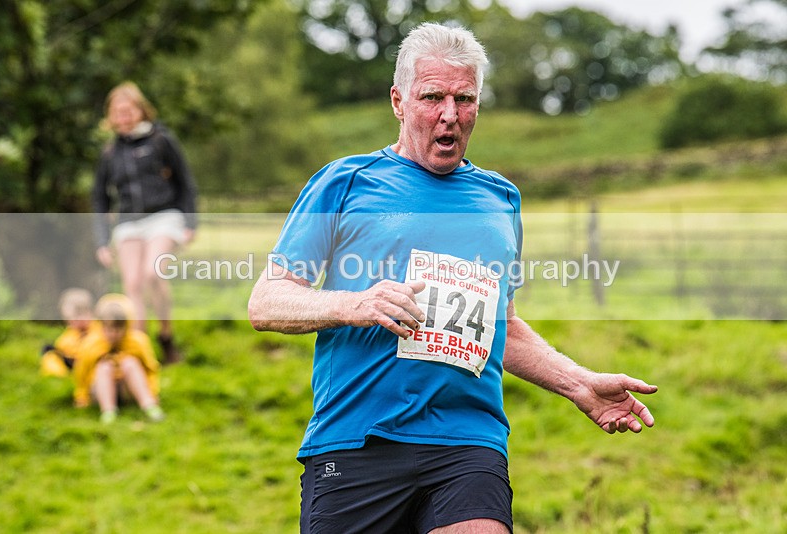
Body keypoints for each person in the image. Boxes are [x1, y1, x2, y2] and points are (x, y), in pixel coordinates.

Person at [248, 23, 658, 533]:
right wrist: (353, 305)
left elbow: (500, 326)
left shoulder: (500, 200)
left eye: (464, 99)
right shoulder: (345, 183)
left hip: (467, 443)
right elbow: (267, 301)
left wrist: (579, 385)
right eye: (432, 97)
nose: (449, 115)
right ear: (398, 101)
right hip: (357, 440)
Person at [92, 81, 198, 365]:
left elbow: (185, 182)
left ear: (140, 110)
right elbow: (100, 198)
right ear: (111, 116)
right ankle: (140, 349)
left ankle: (165, 334)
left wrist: (191, 222)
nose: (124, 116)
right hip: (128, 222)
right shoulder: (110, 153)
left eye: (129, 110)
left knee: (154, 273)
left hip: (164, 215)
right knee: (133, 284)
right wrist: (102, 241)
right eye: (118, 112)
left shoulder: (161, 140)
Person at [73, 293, 164, 424]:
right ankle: (108, 411)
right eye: (109, 329)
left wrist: (153, 391)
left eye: (117, 329)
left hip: (128, 388)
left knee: (130, 363)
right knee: (104, 367)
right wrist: (81, 397)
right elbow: (81, 372)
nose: (113, 334)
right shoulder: (92, 343)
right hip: (99, 389)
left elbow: (151, 368)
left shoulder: (137, 341)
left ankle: (149, 405)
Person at [40, 288, 99, 377]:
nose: (70, 323)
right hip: (73, 361)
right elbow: (63, 345)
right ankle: (58, 375)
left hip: (90, 361)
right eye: (68, 320)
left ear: (88, 313)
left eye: (74, 319)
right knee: (49, 352)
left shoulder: (97, 329)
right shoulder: (71, 333)